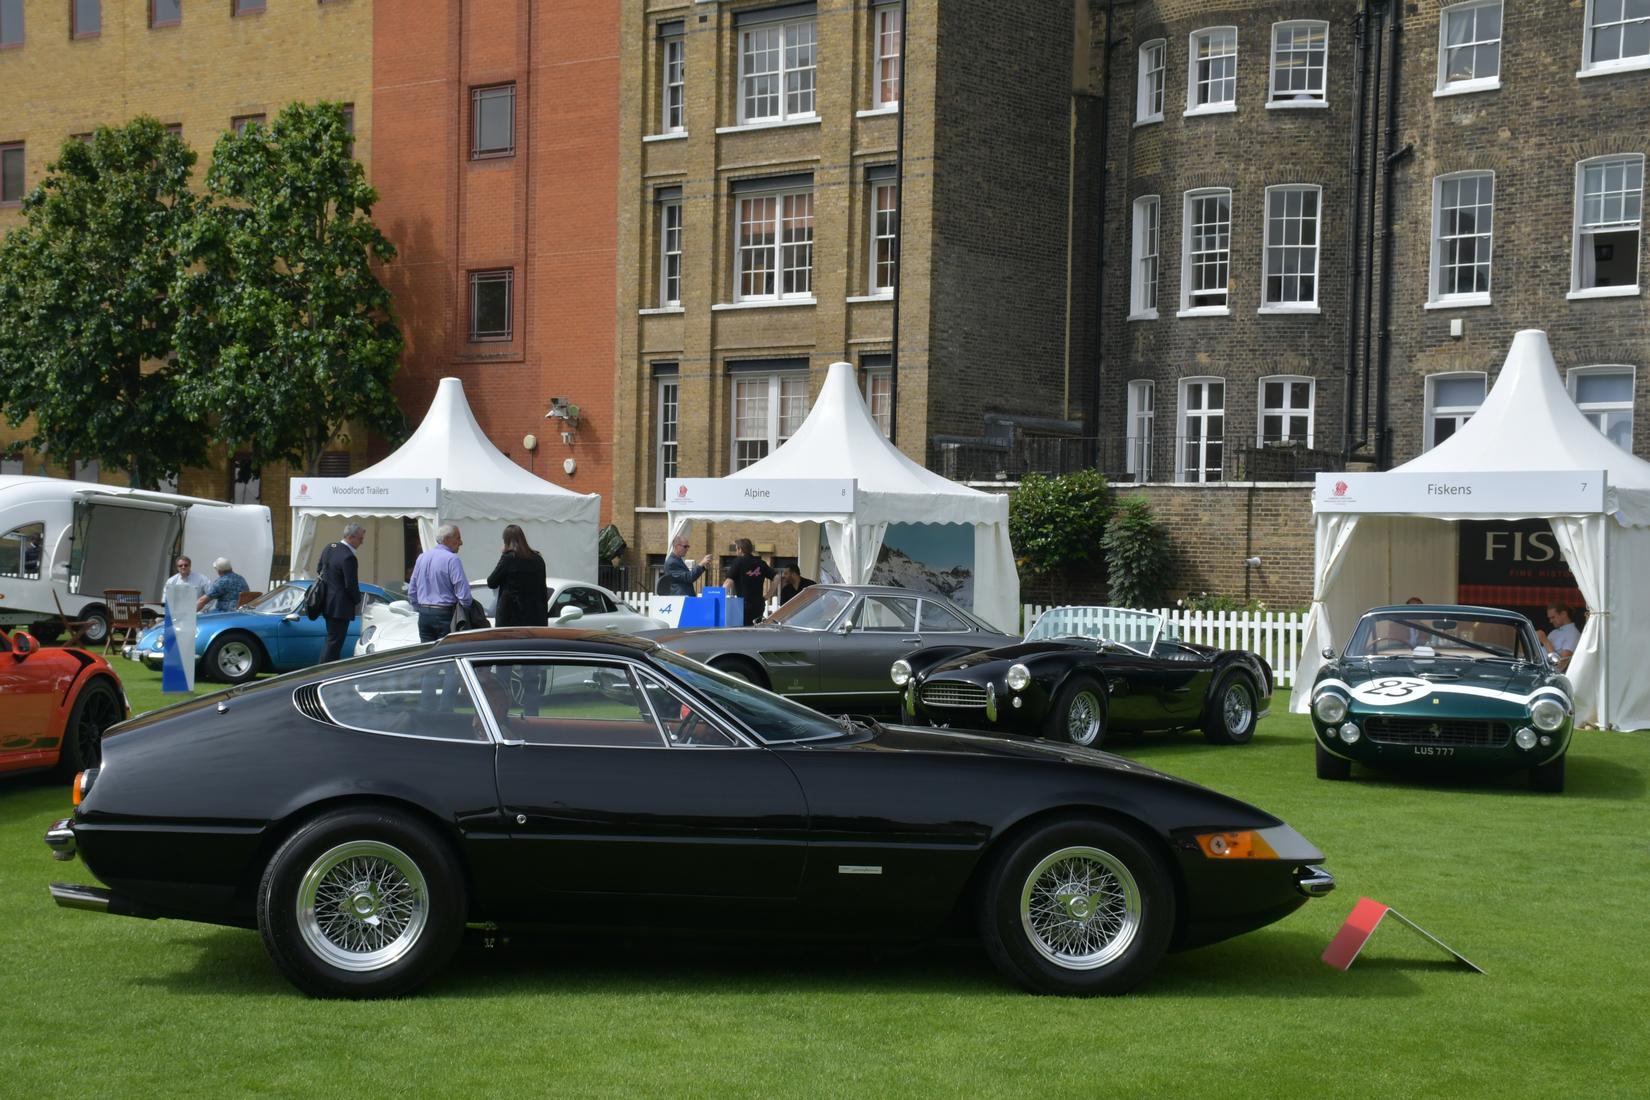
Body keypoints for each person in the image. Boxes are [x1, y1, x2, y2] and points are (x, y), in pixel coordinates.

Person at [407, 523, 471, 643]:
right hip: (445, 614)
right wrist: (464, 610)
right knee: (446, 655)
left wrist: (420, 608)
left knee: (428, 656)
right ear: (447, 539)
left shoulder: (422, 557)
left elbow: (412, 591)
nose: (461, 542)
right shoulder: (452, 559)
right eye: (458, 538)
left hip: (424, 614)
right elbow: (464, 595)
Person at [316, 524, 366, 662]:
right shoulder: (348, 557)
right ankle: (324, 672)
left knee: (332, 640)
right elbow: (350, 584)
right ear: (351, 537)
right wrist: (357, 600)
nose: (362, 542)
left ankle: (328, 670)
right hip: (340, 606)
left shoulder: (330, 548)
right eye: (360, 539)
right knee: (334, 643)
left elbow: (319, 569)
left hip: (326, 601)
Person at [487, 524, 549, 627]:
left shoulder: (509, 558)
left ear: (506, 541)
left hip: (511, 619)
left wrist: (504, 553)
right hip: (536, 618)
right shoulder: (538, 559)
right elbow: (542, 590)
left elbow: (491, 582)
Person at [723, 538, 774, 626]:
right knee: (755, 630)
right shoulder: (761, 563)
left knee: (742, 632)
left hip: (743, 605)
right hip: (759, 605)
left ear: (740, 549)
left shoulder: (738, 562)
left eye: (736, 549)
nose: (736, 552)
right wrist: (768, 595)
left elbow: (728, 582)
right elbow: (776, 577)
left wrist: (719, 597)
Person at [1540, 603, 1580, 672]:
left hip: (1548, 675)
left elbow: (1560, 664)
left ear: (1564, 614)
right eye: (1549, 618)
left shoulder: (1573, 634)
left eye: (1553, 617)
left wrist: (1545, 641)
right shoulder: (1554, 632)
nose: (1550, 621)